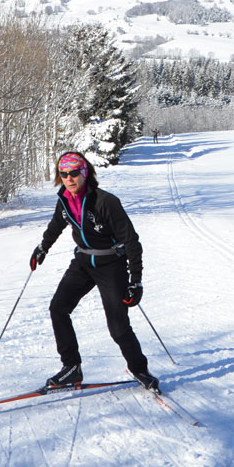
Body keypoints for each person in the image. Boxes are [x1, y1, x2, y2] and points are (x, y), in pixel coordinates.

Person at [28, 151, 159, 393]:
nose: (69, 178)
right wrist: (42, 248)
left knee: (118, 326)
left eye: (74, 173)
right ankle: (71, 367)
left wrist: (136, 281)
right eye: (64, 174)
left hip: (111, 264)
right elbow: (56, 225)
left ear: (85, 173)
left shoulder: (105, 201)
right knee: (58, 307)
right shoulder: (64, 200)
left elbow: (131, 241)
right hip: (83, 262)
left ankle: (139, 368)